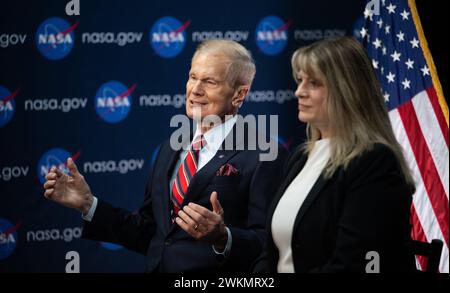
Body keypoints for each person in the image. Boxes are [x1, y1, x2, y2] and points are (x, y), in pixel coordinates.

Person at [43, 40, 287, 273]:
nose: (196, 90)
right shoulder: (171, 147)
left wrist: (224, 237)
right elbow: (153, 233)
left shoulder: (264, 153)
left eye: (210, 81)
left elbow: (268, 244)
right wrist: (88, 204)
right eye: (193, 77)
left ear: (239, 95)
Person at [255, 37, 417, 273]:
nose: (299, 92)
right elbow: (271, 254)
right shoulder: (301, 157)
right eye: (300, 81)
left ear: (347, 90)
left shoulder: (374, 160)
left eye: (314, 83)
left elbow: (354, 264)